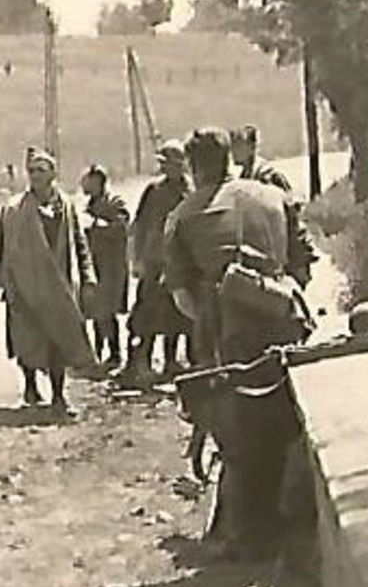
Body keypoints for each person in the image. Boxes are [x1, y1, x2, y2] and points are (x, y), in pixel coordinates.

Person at [164, 127, 316, 559]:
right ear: (230, 157)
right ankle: (288, 518)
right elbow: (304, 262)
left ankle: (244, 531)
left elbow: (182, 298)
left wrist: (215, 323)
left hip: (227, 331)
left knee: (235, 433)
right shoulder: (274, 196)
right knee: (285, 418)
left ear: (194, 167)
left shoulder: (184, 214)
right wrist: (274, 298)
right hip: (285, 315)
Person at [0, 147, 97, 418]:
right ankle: (30, 387)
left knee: (58, 340)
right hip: (25, 283)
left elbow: (79, 243)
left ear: (53, 173)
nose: (35, 175)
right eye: (32, 171)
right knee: (27, 338)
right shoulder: (15, 209)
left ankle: (59, 396)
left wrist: (88, 276)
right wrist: (1, 277)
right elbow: (6, 246)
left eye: (41, 170)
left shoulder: (66, 205)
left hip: (59, 285)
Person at [123, 139, 192, 385]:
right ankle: (137, 364)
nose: (165, 169)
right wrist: (137, 259)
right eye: (162, 163)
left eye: (169, 163)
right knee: (144, 315)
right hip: (153, 263)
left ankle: (171, 362)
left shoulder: (190, 191)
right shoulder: (154, 191)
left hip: (180, 262)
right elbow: (138, 226)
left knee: (177, 315)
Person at [79, 164, 131, 372]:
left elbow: (122, 227)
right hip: (94, 265)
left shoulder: (114, 202)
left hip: (111, 266)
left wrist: (95, 225)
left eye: (88, 181)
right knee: (95, 311)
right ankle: (98, 352)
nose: (84, 185)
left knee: (107, 312)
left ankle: (115, 353)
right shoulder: (88, 206)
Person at [229, 125, 294, 195]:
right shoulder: (244, 176)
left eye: (237, 146)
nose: (232, 151)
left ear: (251, 147)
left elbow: (289, 200)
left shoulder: (268, 175)